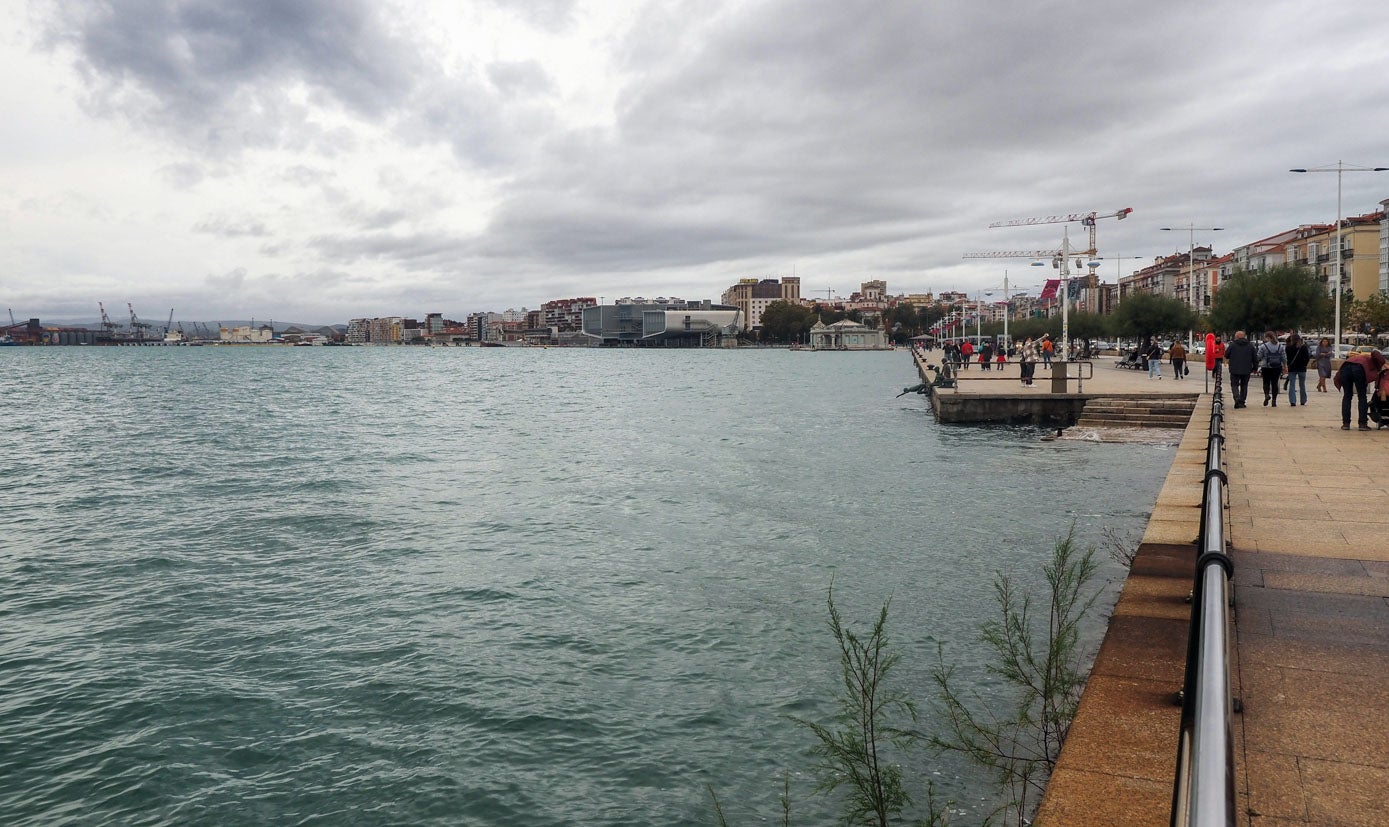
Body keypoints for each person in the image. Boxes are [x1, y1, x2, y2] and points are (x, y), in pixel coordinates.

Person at [1335, 349, 1387, 430]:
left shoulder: (1362, 357)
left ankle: (1346, 424)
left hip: (1345, 368)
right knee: (1362, 396)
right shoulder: (1372, 361)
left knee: (1347, 396)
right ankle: (1362, 424)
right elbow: (1375, 353)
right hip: (1359, 368)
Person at [1225, 331, 1257, 408]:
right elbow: (1255, 358)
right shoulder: (1250, 345)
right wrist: (1255, 368)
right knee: (1244, 385)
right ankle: (1242, 401)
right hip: (1246, 369)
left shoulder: (1232, 345)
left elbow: (1226, 355)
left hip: (1234, 369)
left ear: (1237, 337)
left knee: (1234, 385)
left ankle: (1236, 398)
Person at [1255, 331, 1286, 407]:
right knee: (1275, 383)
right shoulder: (1280, 346)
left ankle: (1266, 395)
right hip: (1277, 367)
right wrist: (1285, 366)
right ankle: (1274, 400)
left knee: (1266, 382)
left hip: (1266, 367)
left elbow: (1258, 357)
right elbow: (1284, 357)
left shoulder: (1263, 346)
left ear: (1267, 337)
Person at [1285, 333, 1310, 406]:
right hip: (1302, 368)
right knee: (1302, 385)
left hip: (1292, 368)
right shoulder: (1303, 347)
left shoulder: (1288, 348)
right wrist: (1304, 364)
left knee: (1292, 385)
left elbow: (1287, 358)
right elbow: (1307, 358)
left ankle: (1293, 401)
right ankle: (1303, 400)